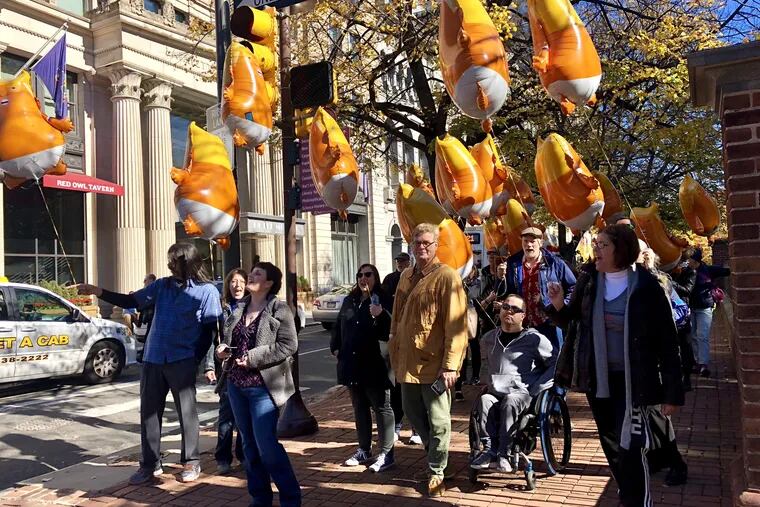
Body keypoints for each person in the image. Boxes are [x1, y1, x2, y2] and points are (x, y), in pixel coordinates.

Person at [547, 224, 685, 507]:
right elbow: (572, 320)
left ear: (620, 250)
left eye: (603, 245)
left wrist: (672, 392)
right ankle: (627, 492)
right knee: (610, 442)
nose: (595, 249)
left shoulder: (647, 286)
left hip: (634, 378)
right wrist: (558, 303)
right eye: (596, 244)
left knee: (632, 445)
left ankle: (638, 501)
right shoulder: (589, 281)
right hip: (597, 377)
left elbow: (668, 341)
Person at [74, 244, 222, 484]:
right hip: (154, 358)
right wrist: (98, 291)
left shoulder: (207, 292)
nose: (169, 265)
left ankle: (191, 461)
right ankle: (150, 464)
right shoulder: (161, 285)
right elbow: (131, 300)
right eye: (169, 260)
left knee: (187, 413)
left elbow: (210, 331)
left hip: (182, 359)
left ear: (188, 262)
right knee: (149, 413)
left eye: (174, 260)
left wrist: (196, 359)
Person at [388, 223, 469, 497]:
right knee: (412, 413)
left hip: (434, 363)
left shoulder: (447, 277)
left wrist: (451, 366)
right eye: (417, 242)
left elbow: (456, 325)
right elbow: (397, 316)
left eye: (426, 243)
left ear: (436, 245)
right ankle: (436, 455)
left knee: (438, 419)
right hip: (407, 363)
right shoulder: (406, 276)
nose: (421, 247)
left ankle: (436, 470)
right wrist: (393, 345)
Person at [215, 262, 301, 507]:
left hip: (264, 388)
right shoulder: (238, 309)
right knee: (249, 446)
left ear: (269, 283)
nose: (250, 276)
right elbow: (228, 341)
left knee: (267, 447)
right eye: (251, 273)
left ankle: (291, 498)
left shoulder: (279, 309)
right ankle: (260, 498)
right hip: (236, 385)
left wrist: (253, 358)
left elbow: (289, 345)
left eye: (257, 274)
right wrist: (222, 350)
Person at [470, 294, 556, 472]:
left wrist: (538, 387)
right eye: (506, 307)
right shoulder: (488, 338)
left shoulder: (535, 339)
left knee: (511, 401)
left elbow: (554, 363)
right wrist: (485, 381)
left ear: (523, 315)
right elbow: (485, 364)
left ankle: (504, 453)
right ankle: (489, 450)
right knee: (484, 400)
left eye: (515, 309)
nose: (509, 311)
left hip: (521, 392)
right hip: (495, 391)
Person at [331, 263, 396, 472]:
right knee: (359, 407)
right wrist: (336, 348)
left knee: (381, 407)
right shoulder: (350, 300)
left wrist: (381, 314)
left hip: (375, 364)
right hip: (352, 364)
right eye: (360, 275)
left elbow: (391, 330)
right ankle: (364, 449)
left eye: (368, 274)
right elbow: (339, 326)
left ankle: (386, 453)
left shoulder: (383, 300)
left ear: (375, 277)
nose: (363, 278)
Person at [638, 248, 690, 486]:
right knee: (645, 415)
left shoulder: (659, 280)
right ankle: (656, 458)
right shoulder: (627, 280)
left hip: (654, 356)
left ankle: (676, 463)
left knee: (656, 414)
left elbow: (675, 313)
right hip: (636, 358)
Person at [204, 268, 247, 475]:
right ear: (228, 285)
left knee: (244, 417)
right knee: (226, 416)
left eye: (241, 282)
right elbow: (212, 339)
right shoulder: (222, 310)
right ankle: (223, 458)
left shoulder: (253, 307)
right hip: (227, 369)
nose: (237, 286)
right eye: (233, 282)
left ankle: (244, 456)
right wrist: (209, 366)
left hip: (247, 368)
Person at [506, 227, 577, 350]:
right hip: (521, 325)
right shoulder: (513, 263)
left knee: (551, 358)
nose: (529, 245)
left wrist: (560, 306)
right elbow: (508, 291)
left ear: (540, 242)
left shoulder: (554, 263)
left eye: (532, 241)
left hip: (549, 324)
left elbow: (573, 287)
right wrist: (500, 278)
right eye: (525, 241)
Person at [382, 251, 421, 445]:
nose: (400, 264)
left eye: (403, 261)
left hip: (415, 340)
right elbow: (387, 304)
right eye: (398, 261)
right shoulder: (390, 279)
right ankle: (397, 426)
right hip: (396, 337)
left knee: (414, 388)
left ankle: (417, 428)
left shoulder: (420, 278)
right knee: (396, 387)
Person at [687, 248, 730, 378]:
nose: (688, 261)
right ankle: (697, 361)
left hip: (705, 307)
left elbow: (726, 271)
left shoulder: (708, 270)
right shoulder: (686, 271)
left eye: (689, 259)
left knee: (702, 335)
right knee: (693, 336)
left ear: (695, 260)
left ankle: (703, 364)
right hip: (691, 307)